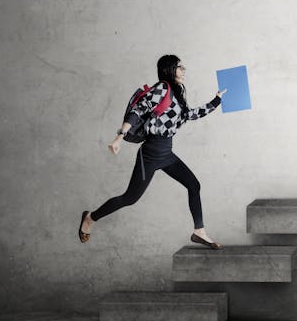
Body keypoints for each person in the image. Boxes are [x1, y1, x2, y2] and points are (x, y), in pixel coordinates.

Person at [78, 55, 226, 249]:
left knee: (193, 185)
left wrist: (216, 101)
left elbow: (190, 115)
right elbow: (138, 111)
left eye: (182, 67)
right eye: (179, 67)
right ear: (169, 69)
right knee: (130, 198)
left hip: (166, 153)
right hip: (150, 154)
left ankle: (199, 232)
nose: (183, 70)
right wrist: (119, 137)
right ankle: (90, 218)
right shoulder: (162, 88)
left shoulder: (177, 92)